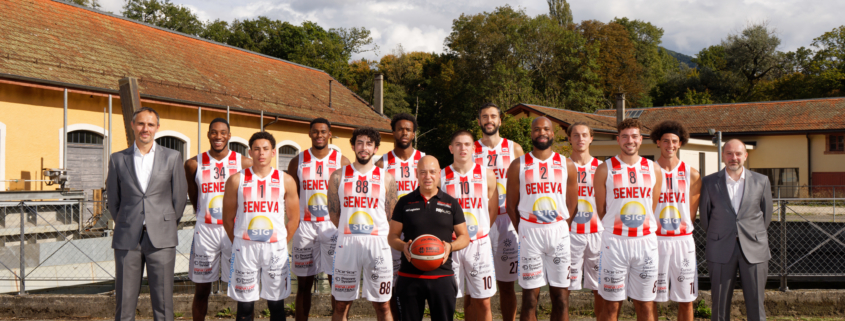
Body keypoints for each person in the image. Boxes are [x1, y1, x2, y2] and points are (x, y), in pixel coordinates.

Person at [107, 106, 188, 321]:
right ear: (133, 125)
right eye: (141, 123)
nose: (145, 128)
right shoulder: (117, 159)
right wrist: (126, 222)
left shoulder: (172, 157)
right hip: (127, 239)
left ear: (157, 128)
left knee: (163, 304)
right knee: (124, 304)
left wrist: (163, 223)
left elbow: (178, 200)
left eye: (150, 124)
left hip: (161, 239)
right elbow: (113, 201)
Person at [221, 131, 300, 321]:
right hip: (245, 247)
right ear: (250, 152)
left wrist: (280, 242)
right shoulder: (236, 180)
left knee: (276, 305)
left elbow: (294, 218)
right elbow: (227, 218)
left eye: (265, 149)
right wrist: (240, 240)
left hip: (275, 248)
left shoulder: (286, 180)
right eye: (256, 149)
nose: (261, 153)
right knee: (245, 306)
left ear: (273, 152)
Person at [505, 116, 578, 321]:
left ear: (553, 133)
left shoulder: (567, 164)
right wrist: (523, 231)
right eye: (537, 129)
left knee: (561, 297)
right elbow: (511, 206)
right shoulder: (518, 164)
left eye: (546, 129)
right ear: (531, 134)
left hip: (558, 231)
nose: (542, 133)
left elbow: (573, 204)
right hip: (529, 231)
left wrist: (563, 227)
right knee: (529, 298)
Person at [593, 118, 663, 321]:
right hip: (615, 242)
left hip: (645, 242)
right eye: (624, 136)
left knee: (646, 305)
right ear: (618, 139)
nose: (629, 141)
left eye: (634, 136)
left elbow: (652, 205)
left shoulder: (653, 169)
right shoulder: (605, 168)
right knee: (611, 305)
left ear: (641, 140)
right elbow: (602, 209)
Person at [185, 118, 253, 321]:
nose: (218, 136)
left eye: (223, 132)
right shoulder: (193, 164)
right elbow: (194, 196)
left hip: (234, 230)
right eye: (214, 132)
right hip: (206, 231)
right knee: (202, 289)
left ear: (229, 135)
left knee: (242, 286)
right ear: (208, 135)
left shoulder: (244, 163)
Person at [327, 127, 397, 321]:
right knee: (341, 304)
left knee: (383, 305)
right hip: (347, 243)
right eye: (360, 143)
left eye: (369, 144)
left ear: (375, 149)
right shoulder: (337, 176)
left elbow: (391, 216)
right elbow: (334, 214)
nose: (363, 148)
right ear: (352, 146)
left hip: (378, 244)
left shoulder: (387, 178)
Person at [388, 155, 470, 321]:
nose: (428, 176)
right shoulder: (404, 202)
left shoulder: (451, 203)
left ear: (439, 173)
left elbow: (464, 237)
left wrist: (450, 246)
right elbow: (392, 237)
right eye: (423, 172)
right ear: (417, 174)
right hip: (409, 277)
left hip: (442, 277)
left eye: (432, 172)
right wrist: (403, 246)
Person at [699, 139, 772, 321]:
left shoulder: (762, 181)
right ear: (723, 156)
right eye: (729, 153)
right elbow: (706, 218)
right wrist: (723, 233)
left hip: (755, 249)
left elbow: (767, 215)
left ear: (745, 156)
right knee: (719, 306)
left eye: (738, 153)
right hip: (720, 248)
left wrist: (750, 234)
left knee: (756, 303)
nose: (734, 158)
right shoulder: (709, 182)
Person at [288, 118, 351, 321]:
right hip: (305, 225)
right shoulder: (297, 161)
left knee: (336, 282)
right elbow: (292, 196)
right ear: (309, 134)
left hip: (332, 226)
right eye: (315, 132)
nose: (319, 135)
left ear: (329, 134)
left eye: (323, 131)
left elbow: (348, 197)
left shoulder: (342, 161)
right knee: (304, 285)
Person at [473, 103, 525, 321]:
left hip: (507, 221)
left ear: (500, 120)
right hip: (480, 222)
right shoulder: (470, 148)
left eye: (493, 116)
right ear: (479, 121)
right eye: (484, 116)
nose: (489, 120)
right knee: (475, 288)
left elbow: (524, 186)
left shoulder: (515, 148)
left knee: (507, 286)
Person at [441, 130, 498, 321]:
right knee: (447, 300)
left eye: (467, 144)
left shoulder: (487, 175)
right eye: (458, 144)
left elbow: (492, 210)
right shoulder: (441, 177)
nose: (462, 148)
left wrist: (479, 231)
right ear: (451, 149)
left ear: (474, 148)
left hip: (479, 245)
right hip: (451, 245)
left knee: (483, 301)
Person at [650, 121, 702, 321]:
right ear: (658, 142)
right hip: (654, 240)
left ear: (680, 143)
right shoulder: (648, 171)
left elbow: (691, 213)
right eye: (665, 141)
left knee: (686, 298)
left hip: (682, 241)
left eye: (674, 141)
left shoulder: (692, 174)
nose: (669, 145)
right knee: (650, 297)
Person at [374, 113, 425, 317]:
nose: (404, 132)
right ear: (393, 131)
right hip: (393, 231)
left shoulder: (424, 159)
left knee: (421, 281)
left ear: (414, 133)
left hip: (419, 229)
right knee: (394, 286)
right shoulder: (381, 163)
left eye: (408, 129)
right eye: (400, 129)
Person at [565, 122, 610, 320]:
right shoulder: (561, 166)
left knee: (600, 287)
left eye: (584, 135)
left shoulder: (603, 167)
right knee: (563, 287)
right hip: (569, 233)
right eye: (576, 135)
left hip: (598, 233)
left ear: (591, 138)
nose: (580, 139)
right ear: (569, 139)